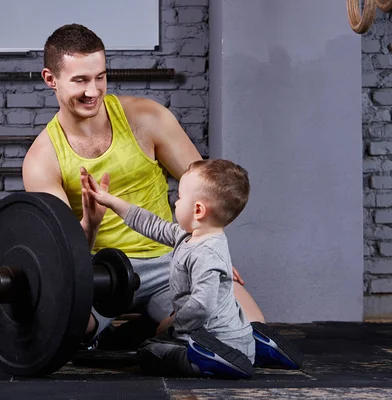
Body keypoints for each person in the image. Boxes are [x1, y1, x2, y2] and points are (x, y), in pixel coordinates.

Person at [22, 23, 302, 370]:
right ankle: (143, 331)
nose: (93, 90)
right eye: (80, 80)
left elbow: (209, 191)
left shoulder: (147, 118)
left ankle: (156, 330)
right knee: (64, 332)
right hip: (97, 272)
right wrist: (90, 225)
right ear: (51, 79)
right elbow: (64, 259)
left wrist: (209, 252)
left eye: (100, 77)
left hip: (170, 260)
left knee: (249, 327)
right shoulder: (41, 159)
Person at [84, 159, 255, 378]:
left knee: (149, 352)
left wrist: (172, 323)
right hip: (227, 336)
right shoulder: (188, 236)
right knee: (156, 341)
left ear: (198, 210)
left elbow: (202, 306)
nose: (175, 202)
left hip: (214, 339)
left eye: (180, 197)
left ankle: (208, 359)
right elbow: (150, 224)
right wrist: (110, 201)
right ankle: (251, 346)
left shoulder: (207, 254)